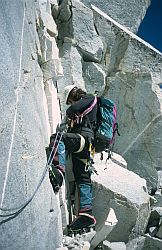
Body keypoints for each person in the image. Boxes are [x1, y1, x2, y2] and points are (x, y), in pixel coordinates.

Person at [59, 84, 98, 233]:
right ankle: (86, 214)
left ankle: (58, 171)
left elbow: (72, 110)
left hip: (83, 139)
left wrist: (68, 115)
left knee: (58, 138)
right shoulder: (87, 107)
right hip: (86, 146)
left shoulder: (89, 98)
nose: (70, 103)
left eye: (70, 100)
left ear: (74, 94)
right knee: (82, 177)